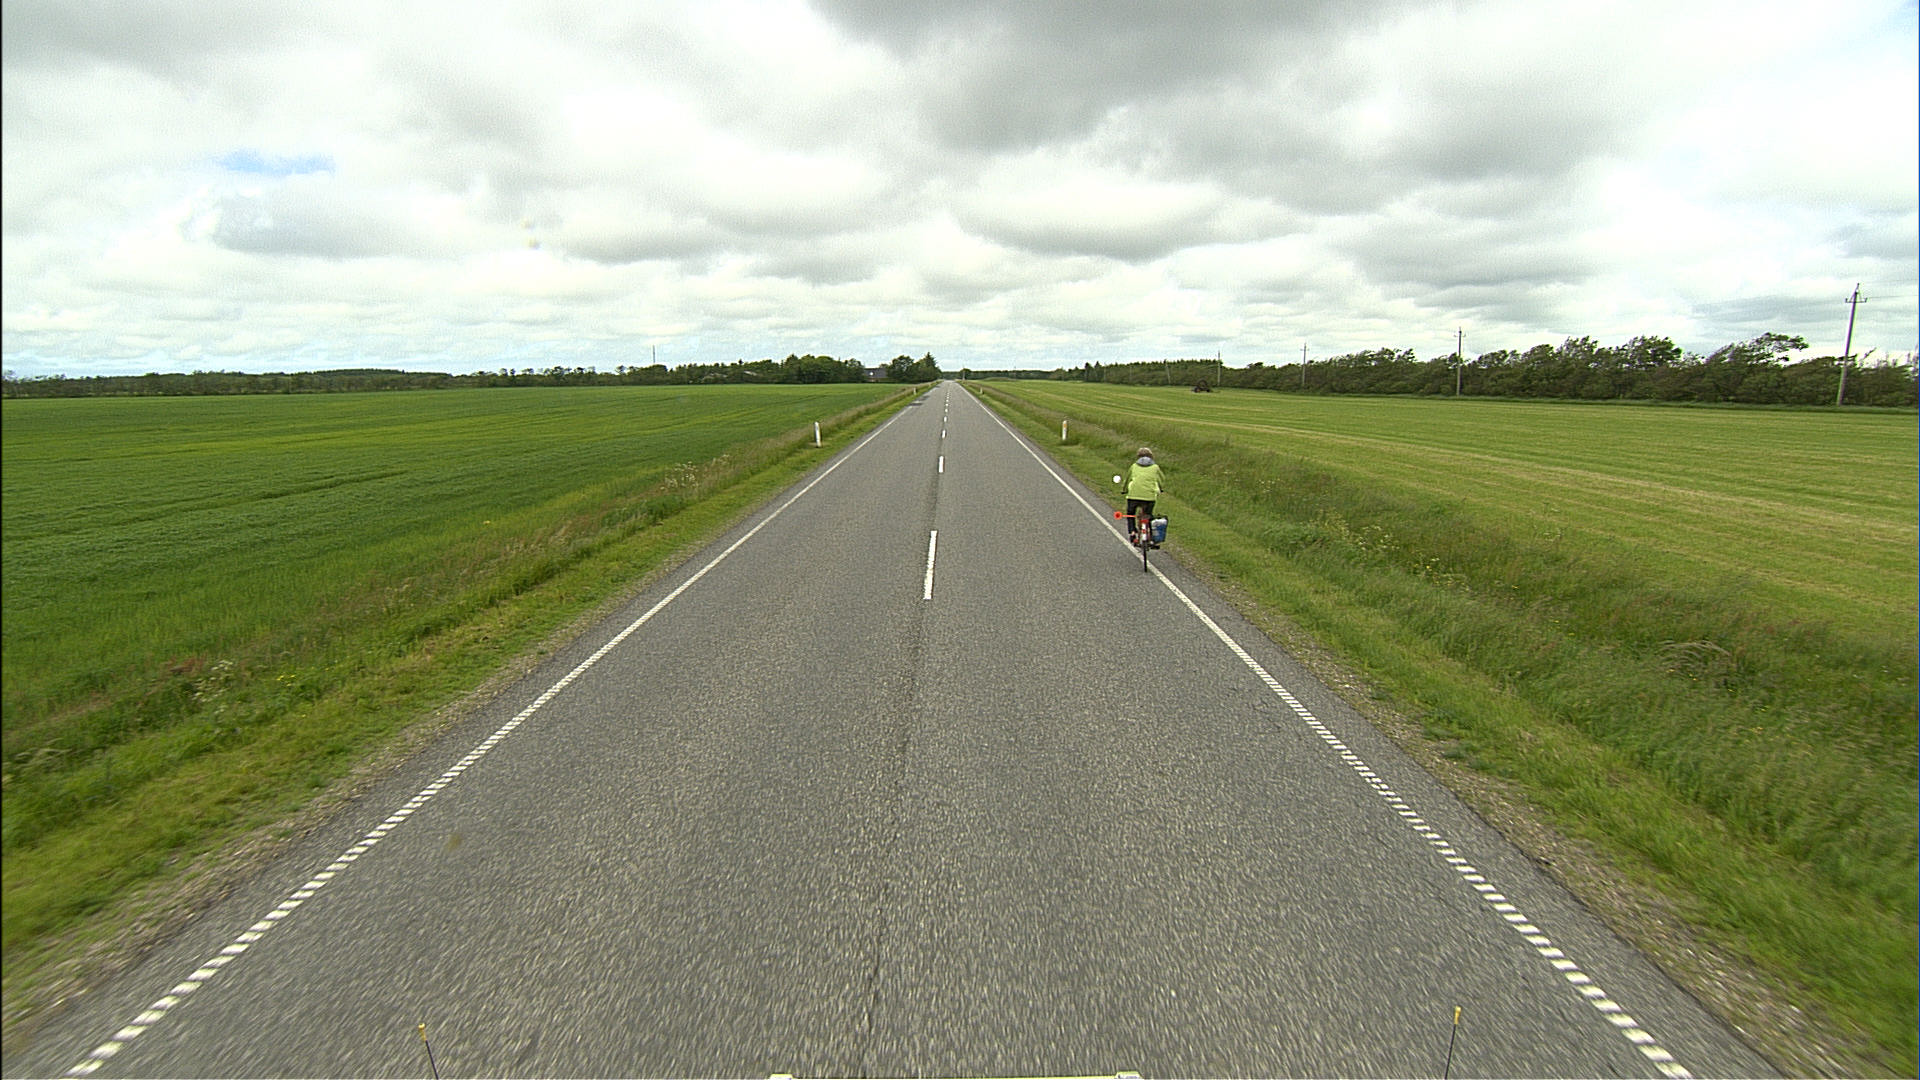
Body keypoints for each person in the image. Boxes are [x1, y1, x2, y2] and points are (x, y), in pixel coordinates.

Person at [1121, 446, 1165, 546]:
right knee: (1149, 515)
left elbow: (1127, 480)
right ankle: (1152, 537)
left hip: (1133, 496)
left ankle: (1132, 532)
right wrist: (1161, 488)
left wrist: (1124, 490)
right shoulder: (1155, 467)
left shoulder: (1134, 466)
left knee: (1131, 514)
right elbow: (1161, 480)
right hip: (1149, 497)